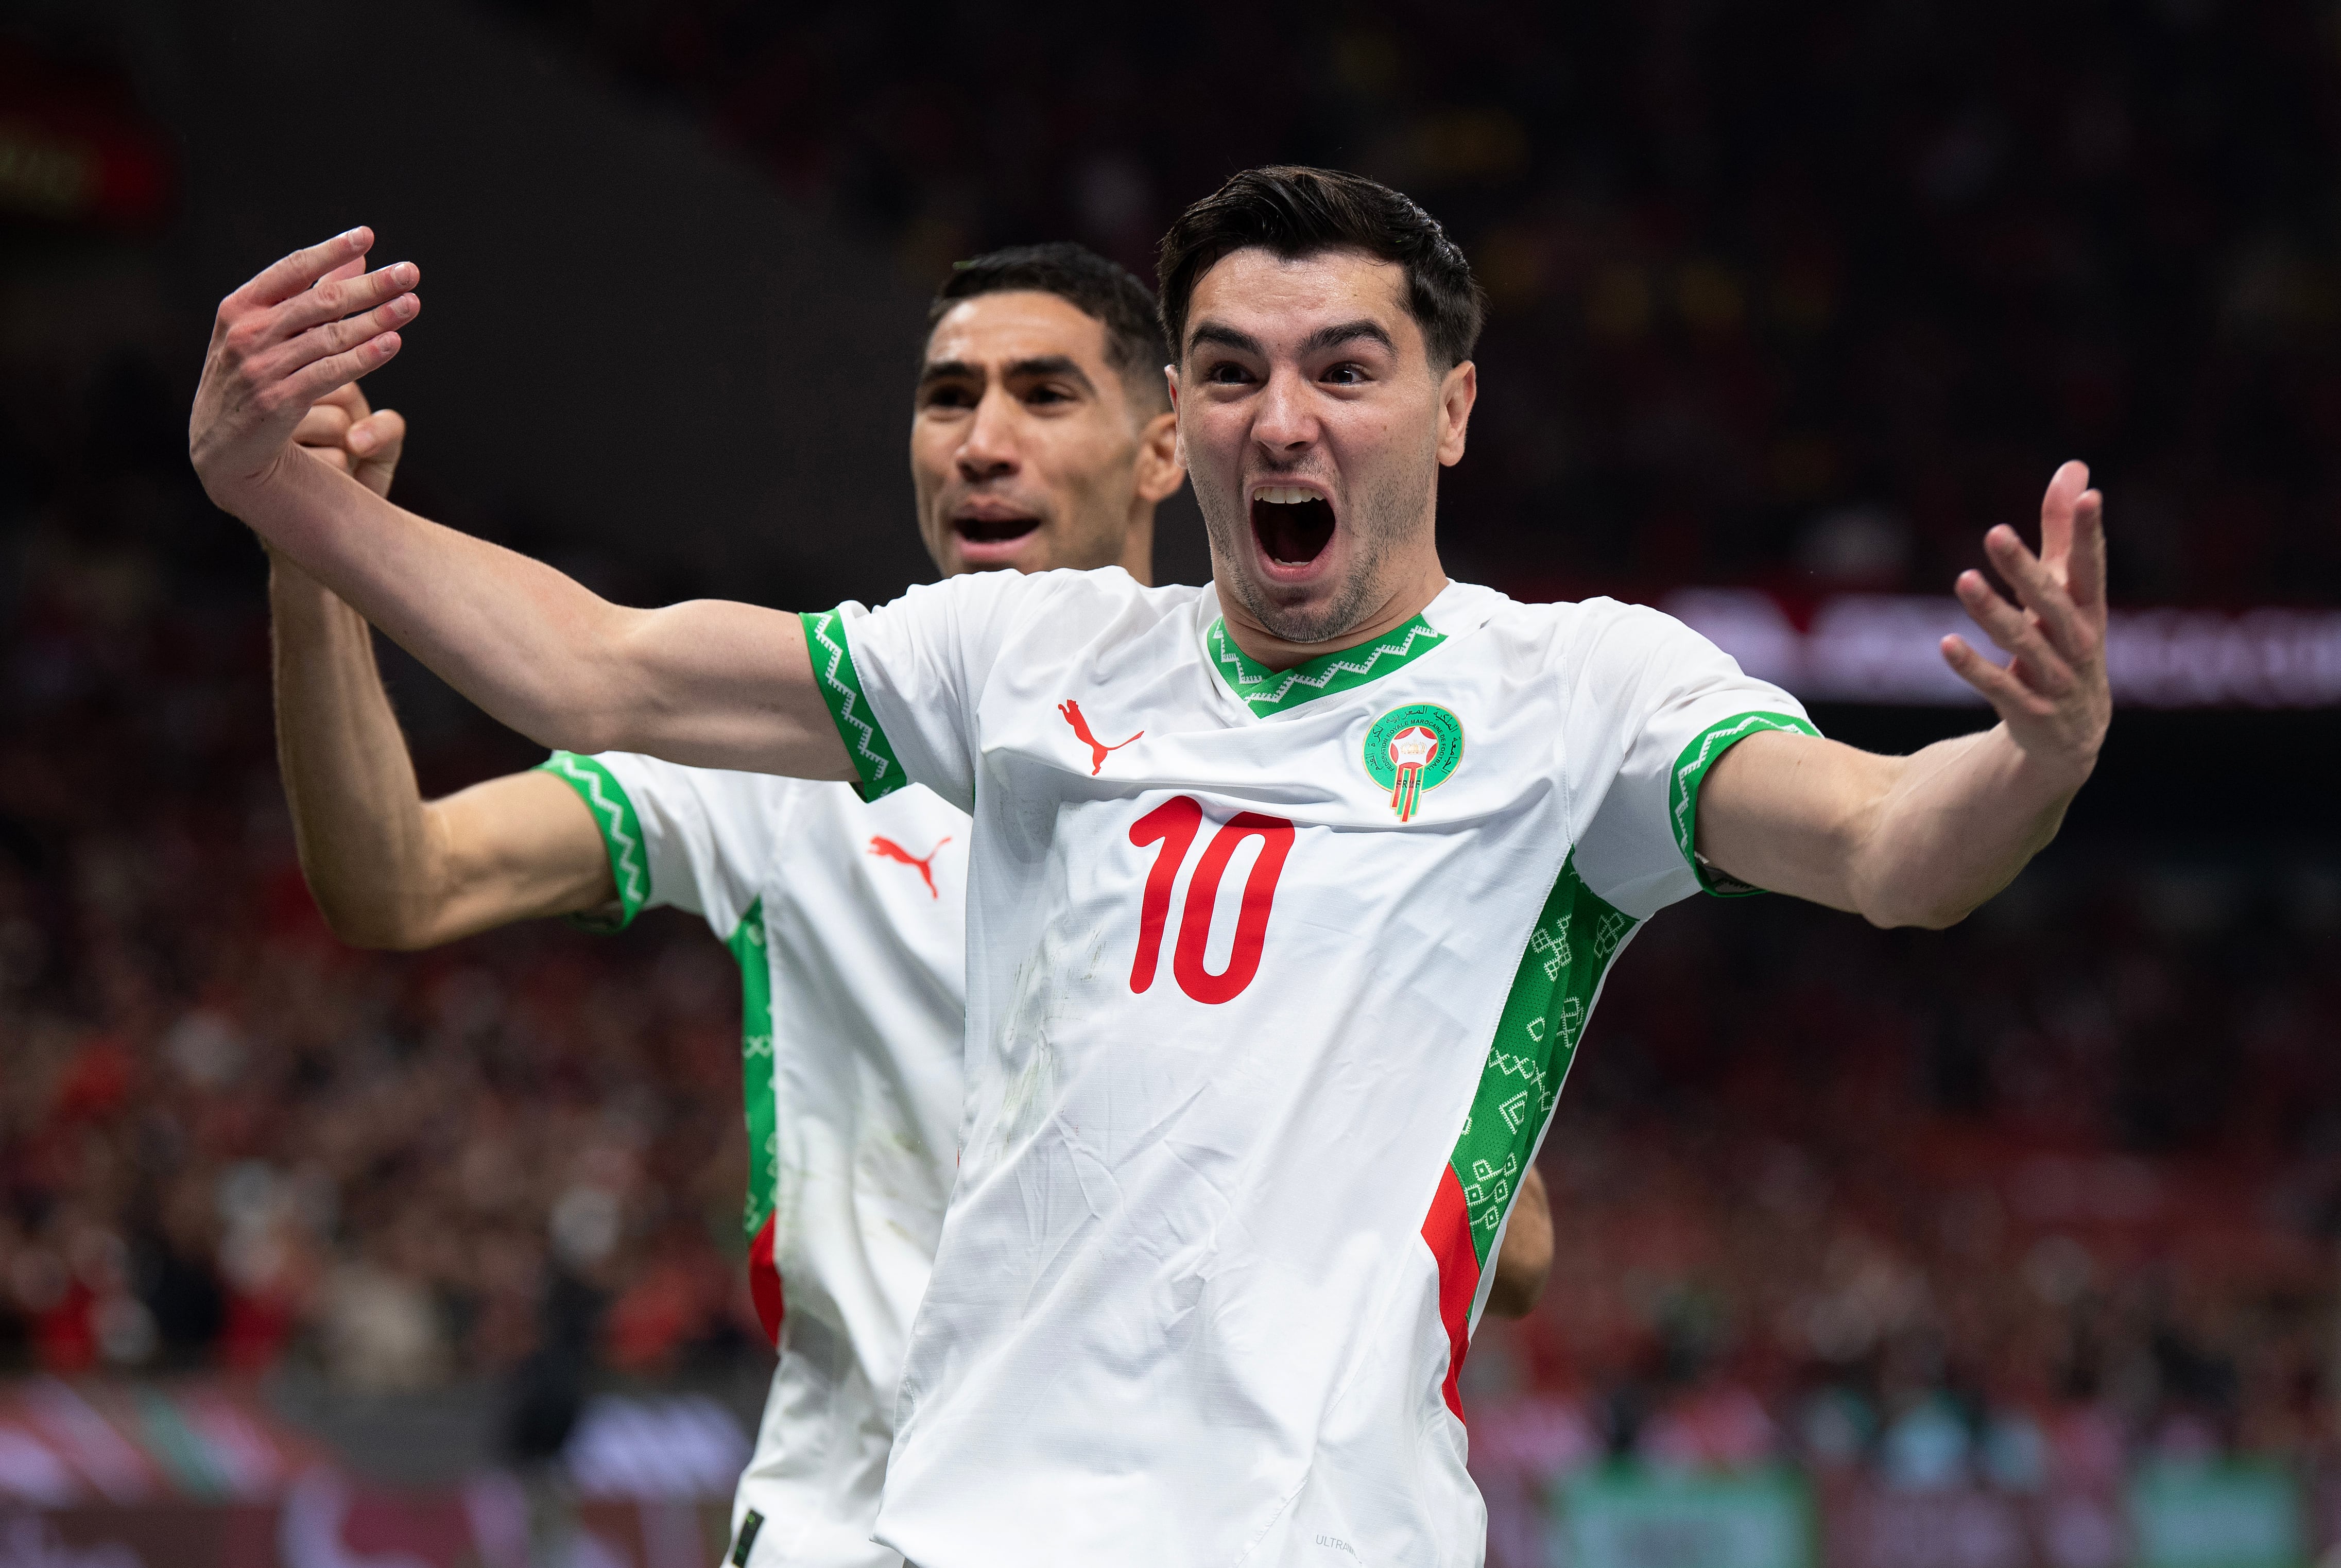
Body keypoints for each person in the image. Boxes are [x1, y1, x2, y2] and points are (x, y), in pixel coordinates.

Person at [190, 167, 2107, 1564]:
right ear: (1183, 424)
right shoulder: (1030, 659)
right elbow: (595, 667)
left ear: (1451, 408)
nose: (1284, 417)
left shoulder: (1578, 694)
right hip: (949, 1532)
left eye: (1345, 369)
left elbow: (1887, 849)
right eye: (1232, 370)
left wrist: (2029, 755)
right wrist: (286, 498)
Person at [256, 236, 1560, 1567]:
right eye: (948, 398)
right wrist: (312, 564)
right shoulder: (778, 747)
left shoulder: (1310, 773)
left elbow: (1510, 1255)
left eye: (1043, 395)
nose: (982, 443)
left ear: (1166, 446)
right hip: (854, 1531)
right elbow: (398, 882)